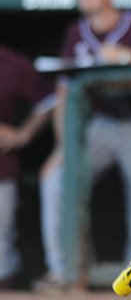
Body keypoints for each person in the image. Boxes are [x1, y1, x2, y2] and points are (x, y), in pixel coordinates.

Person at [34, 0, 131, 291]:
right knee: (56, 180)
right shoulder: (75, 31)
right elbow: (64, 93)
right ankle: (66, 271)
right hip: (100, 124)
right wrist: (61, 147)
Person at [0, 45, 54, 290]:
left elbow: (50, 97)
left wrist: (23, 134)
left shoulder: (10, 62)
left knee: (1, 247)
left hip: (2, 169)